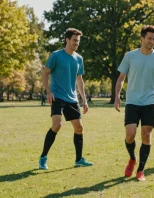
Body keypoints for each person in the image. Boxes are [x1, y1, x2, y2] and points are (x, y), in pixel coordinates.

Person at [114, 25, 154, 181]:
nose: (152, 41)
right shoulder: (130, 56)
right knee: (130, 135)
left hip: (150, 101)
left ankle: (140, 170)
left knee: (146, 134)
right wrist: (117, 96)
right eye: (149, 38)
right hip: (132, 101)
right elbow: (121, 78)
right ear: (142, 38)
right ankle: (132, 158)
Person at [39, 28, 93, 170]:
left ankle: (79, 159)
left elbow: (79, 80)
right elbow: (45, 74)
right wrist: (49, 92)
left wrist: (84, 100)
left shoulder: (79, 58)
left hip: (72, 98)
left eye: (78, 41)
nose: (76, 43)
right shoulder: (56, 55)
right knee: (57, 125)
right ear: (67, 40)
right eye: (74, 40)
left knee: (79, 127)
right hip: (57, 95)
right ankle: (43, 157)